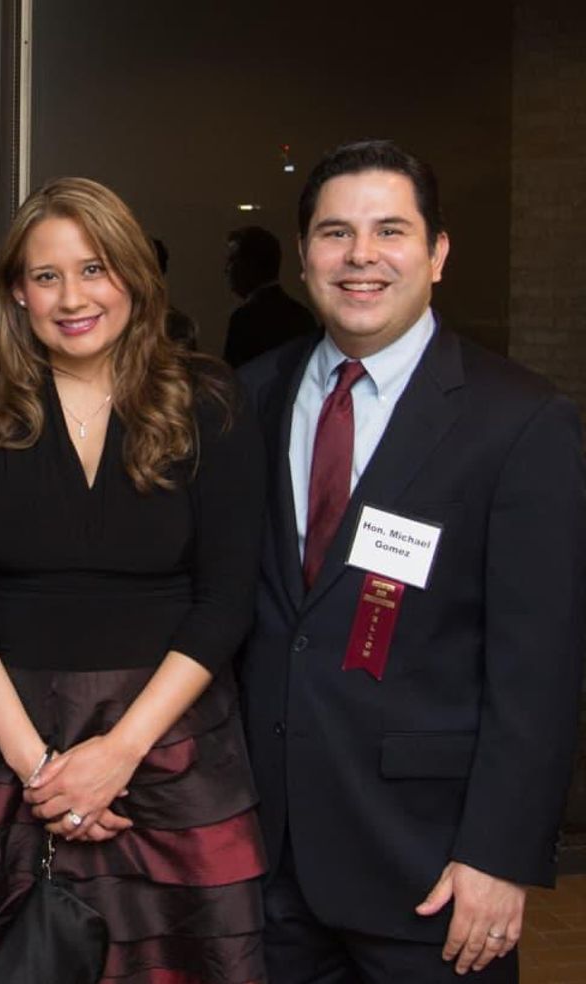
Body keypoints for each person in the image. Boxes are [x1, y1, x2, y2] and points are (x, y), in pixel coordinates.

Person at [238, 139, 585, 983]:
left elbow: (538, 670)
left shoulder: (519, 421)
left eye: (390, 230)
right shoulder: (248, 395)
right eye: (334, 233)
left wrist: (500, 856)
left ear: (436, 254)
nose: (361, 256)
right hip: (265, 864)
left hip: (430, 873)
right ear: (306, 256)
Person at [0, 177, 266, 983]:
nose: (72, 297)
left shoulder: (209, 400)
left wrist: (119, 752)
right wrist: (41, 770)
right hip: (7, 750)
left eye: (96, 269)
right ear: (17, 291)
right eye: (47, 276)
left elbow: (226, 600)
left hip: (170, 747)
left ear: (135, 280)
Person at [222, 225, 316, 367]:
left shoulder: (245, 320)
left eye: (233, 261)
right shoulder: (302, 316)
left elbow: (233, 382)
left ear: (251, 265)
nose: (226, 269)